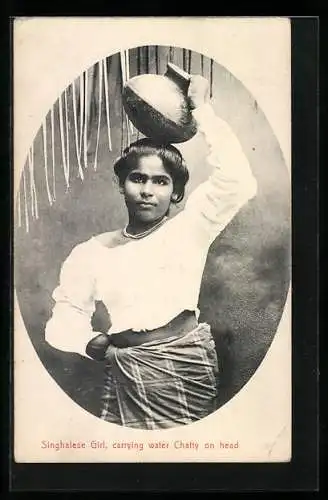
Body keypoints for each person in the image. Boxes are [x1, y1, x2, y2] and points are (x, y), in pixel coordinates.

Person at [45, 75, 257, 429]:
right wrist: (87, 342)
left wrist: (201, 109)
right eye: (137, 179)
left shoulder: (191, 228)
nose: (147, 191)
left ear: (176, 193)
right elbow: (63, 317)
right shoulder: (91, 252)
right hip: (126, 370)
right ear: (122, 185)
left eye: (161, 182)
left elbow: (238, 181)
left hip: (185, 367)